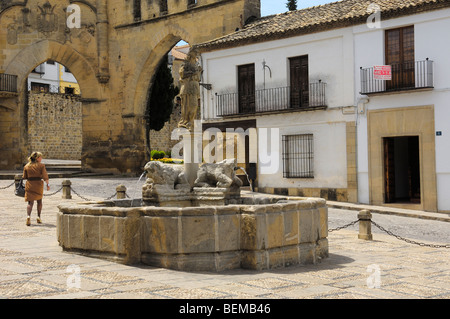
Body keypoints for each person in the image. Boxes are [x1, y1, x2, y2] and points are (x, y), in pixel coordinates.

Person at [22, 152, 50, 226]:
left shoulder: (27, 166)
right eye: (40, 157)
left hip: (30, 184)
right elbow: (45, 176)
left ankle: (28, 216)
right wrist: (48, 184)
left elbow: (24, 176)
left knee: (30, 203)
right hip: (38, 184)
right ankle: (38, 217)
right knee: (39, 201)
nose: (41, 158)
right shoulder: (41, 165)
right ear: (37, 158)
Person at [178, 49, 202, 130]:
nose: (196, 55)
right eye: (195, 54)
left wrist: (199, 72)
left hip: (194, 87)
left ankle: (192, 122)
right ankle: (186, 122)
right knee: (187, 106)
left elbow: (198, 78)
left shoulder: (196, 65)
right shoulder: (185, 64)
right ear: (191, 55)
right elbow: (182, 74)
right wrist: (193, 73)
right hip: (187, 87)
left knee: (194, 106)